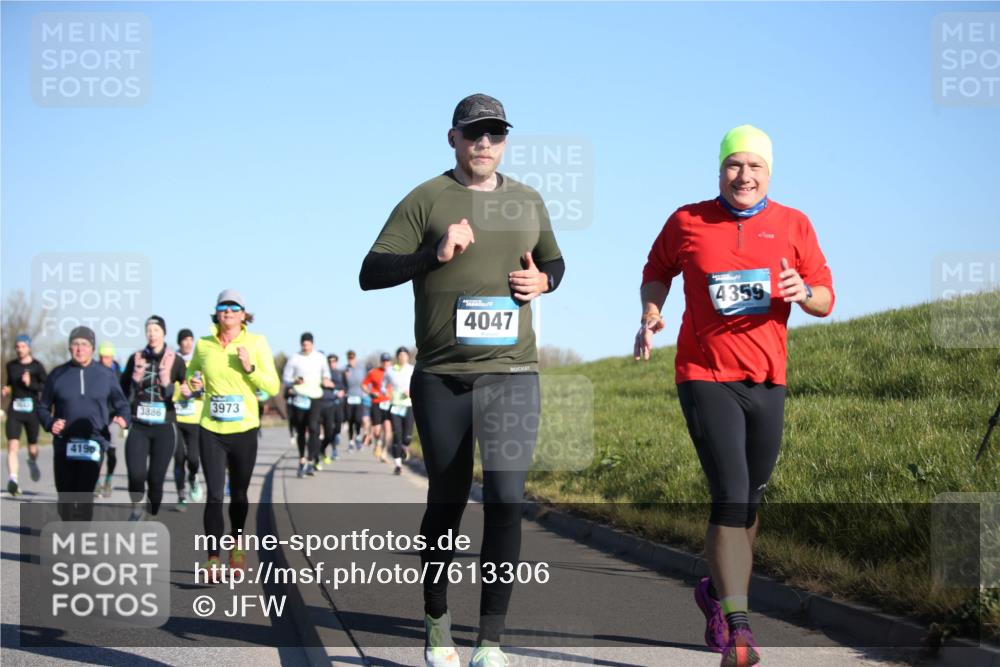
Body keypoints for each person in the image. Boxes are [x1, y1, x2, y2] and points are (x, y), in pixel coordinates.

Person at [359, 93, 565, 667]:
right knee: (447, 501)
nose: (484, 144)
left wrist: (543, 284)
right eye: (474, 133)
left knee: (505, 499)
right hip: (442, 378)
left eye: (495, 134)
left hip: (513, 374)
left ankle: (491, 639)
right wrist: (433, 252)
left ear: (504, 142)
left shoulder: (527, 199)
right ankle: (436, 619)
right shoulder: (425, 199)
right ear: (452, 138)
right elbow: (370, 273)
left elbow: (555, 262)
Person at [635, 125, 834, 667]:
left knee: (751, 498)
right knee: (731, 492)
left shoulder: (794, 224)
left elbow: (825, 296)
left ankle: (716, 594)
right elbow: (656, 273)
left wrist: (804, 293)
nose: (743, 176)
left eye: (755, 167)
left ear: (769, 172)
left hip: (768, 379)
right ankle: (740, 630)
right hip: (704, 374)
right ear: (719, 169)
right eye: (733, 166)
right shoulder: (688, 221)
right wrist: (652, 314)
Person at [187, 290, 279, 575]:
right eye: (222, 307)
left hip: (244, 429)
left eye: (233, 307)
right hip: (211, 429)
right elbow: (191, 377)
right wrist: (192, 383)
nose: (227, 311)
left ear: (243, 313)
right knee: (214, 495)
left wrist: (250, 368)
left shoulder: (256, 342)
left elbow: (273, 386)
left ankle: (237, 543)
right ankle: (213, 557)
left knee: (238, 493)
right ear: (216, 313)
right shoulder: (203, 345)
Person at [36, 326, 130, 521]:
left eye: (84, 344)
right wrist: (50, 422)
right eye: (76, 344)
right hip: (64, 443)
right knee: (66, 500)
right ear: (70, 348)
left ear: (92, 348)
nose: (80, 349)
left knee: (85, 496)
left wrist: (124, 418)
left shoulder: (106, 375)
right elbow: (42, 407)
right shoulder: (57, 374)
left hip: (93, 443)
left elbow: (122, 404)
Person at [121, 316, 187, 520]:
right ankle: (136, 509)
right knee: (135, 474)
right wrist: (120, 413)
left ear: (164, 333)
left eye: (156, 330)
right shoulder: (136, 358)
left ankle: (151, 507)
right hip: (139, 426)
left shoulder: (175, 360)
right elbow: (122, 389)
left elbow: (190, 387)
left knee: (156, 479)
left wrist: (187, 391)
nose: (152, 334)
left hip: (164, 427)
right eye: (149, 330)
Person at [4, 334, 47, 496]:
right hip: (15, 409)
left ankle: (32, 461)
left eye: (22, 346)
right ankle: (13, 480)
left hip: (32, 411)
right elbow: (10, 384)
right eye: (17, 346)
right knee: (12, 446)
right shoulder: (11, 366)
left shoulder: (37, 366)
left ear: (29, 347)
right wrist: (6, 390)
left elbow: (45, 387)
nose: (19, 349)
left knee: (33, 447)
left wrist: (31, 384)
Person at [282, 333, 330, 477]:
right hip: (299, 397)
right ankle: (302, 458)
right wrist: (294, 381)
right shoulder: (294, 358)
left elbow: (326, 374)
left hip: (315, 396)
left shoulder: (320, 358)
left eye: (308, 344)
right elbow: (286, 377)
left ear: (312, 344)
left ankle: (310, 460)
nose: (306, 347)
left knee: (314, 428)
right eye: (303, 345)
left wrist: (326, 380)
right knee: (301, 430)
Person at [173, 328, 204, 507]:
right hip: (175, 418)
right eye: (184, 340)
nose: (188, 343)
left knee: (193, 458)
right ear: (179, 342)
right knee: (178, 458)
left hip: (194, 417)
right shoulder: (171, 360)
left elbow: (206, 385)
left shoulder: (198, 361)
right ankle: (181, 495)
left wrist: (195, 392)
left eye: (190, 340)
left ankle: (192, 477)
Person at [94, 341, 123, 498]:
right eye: (102, 357)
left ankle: (109, 479)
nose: (104, 360)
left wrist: (122, 414)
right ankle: (96, 482)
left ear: (112, 357)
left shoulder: (118, 373)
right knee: (98, 450)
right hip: (99, 416)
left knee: (111, 451)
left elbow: (124, 394)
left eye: (107, 357)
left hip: (114, 416)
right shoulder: (94, 371)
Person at [386, 346, 415, 475]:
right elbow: (383, 387)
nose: (402, 357)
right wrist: (385, 394)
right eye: (400, 355)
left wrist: (411, 392)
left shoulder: (412, 370)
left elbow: (419, 386)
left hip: (408, 405)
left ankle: (405, 447)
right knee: (397, 434)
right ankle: (398, 464)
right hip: (395, 406)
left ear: (408, 357)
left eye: (404, 355)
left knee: (407, 437)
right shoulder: (390, 371)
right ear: (397, 357)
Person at [361, 353, 394, 463]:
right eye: (384, 361)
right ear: (381, 362)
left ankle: (384, 452)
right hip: (376, 403)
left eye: (388, 361)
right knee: (376, 431)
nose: (386, 363)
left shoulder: (394, 372)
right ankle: (378, 443)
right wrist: (370, 393)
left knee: (388, 428)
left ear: (390, 362)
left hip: (389, 403)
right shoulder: (373, 372)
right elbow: (363, 385)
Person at [320, 353, 347, 461]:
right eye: (330, 361)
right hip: (328, 404)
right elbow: (324, 385)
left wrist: (342, 391)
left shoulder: (341, 373)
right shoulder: (325, 374)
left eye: (334, 361)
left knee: (337, 427)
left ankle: (334, 439)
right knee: (329, 430)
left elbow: (345, 387)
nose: (332, 363)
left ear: (337, 362)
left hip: (339, 404)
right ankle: (334, 450)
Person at [343, 350, 366, 448]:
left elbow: (366, 381)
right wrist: (345, 377)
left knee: (357, 418)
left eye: (352, 358)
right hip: (349, 397)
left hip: (359, 397)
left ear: (355, 358)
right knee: (350, 419)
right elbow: (342, 383)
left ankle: (358, 435)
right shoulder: (345, 369)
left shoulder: (361, 368)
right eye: (349, 358)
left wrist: (365, 392)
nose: (351, 360)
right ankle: (351, 440)